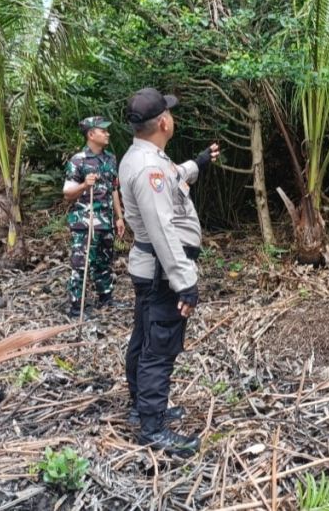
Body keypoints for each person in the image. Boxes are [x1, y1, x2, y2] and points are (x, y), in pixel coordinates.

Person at [118, 87, 220, 457]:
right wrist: (185, 282)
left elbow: (173, 176)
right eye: (170, 114)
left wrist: (198, 163)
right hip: (162, 271)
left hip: (152, 269)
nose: (172, 118)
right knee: (159, 347)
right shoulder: (149, 169)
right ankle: (152, 428)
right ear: (163, 122)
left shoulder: (142, 157)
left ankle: (141, 407)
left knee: (145, 337)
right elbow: (162, 230)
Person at [63, 116, 126, 318]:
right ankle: (76, 307)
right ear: (91, 134)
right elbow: (67, 193)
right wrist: (84, 185)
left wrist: (119, 217)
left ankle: (105, 298)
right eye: (103, 131)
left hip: (105, 221)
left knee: (104, 262)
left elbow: (114, 189)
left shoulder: (110, 159)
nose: (107, 134)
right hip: (85, 222)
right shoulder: (78, 160)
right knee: (81, 265)